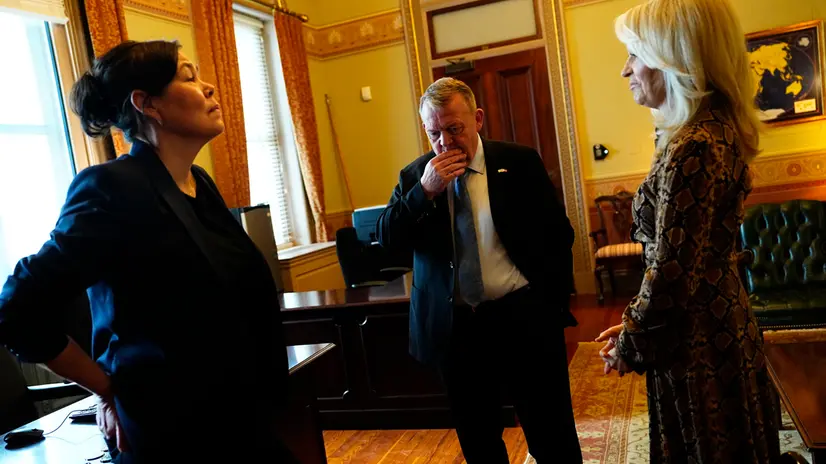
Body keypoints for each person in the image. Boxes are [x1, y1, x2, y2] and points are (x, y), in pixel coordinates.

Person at [0, 40, 293, 463]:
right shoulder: (111, 188)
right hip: (174, 431)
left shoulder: (199, 182)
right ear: (147, 104)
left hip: (238, 416)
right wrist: (105, 388)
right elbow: (17, 310)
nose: (209, 87)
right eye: (189, 77)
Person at [595, 0, 781, 462]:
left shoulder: (695, 145)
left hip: (699, 342)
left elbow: (672, 273)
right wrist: (636, 324)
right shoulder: (709, 130)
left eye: (634, 54)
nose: (625, 70)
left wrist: (631, 341)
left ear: (672, 58)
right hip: (713, 321)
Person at [377, 77, 582, 463]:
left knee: (551, 435)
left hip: (522, 317)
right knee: (479, 442)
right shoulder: (416, 176)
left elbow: (559, 235)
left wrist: (551, 305)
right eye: (434, 133)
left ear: (478, 119)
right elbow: (386, 238)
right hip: (457, 330)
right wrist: (425, 192)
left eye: (455, 129)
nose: (445, 143)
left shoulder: (519, 162)